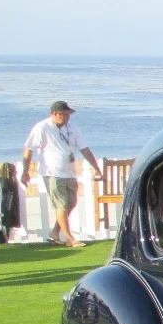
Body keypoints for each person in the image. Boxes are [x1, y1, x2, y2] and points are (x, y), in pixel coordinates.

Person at [20, 100, 102, 248]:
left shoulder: (72, 127)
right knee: (61, 205)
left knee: (71, 203)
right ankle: (70, 238)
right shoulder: (43, 127)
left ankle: (54, 233)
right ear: (54, 114)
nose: (67, 117)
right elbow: (28, 148)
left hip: (69, 172)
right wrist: (25, 171)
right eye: (64, 114)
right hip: (52, 173)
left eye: (68, 114)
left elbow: (84, 148)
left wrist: (96, 167)